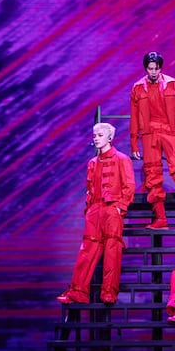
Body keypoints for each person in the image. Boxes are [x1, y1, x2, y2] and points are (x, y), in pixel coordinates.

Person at [57, 122, 135, 305]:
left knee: (112, 252)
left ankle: (109, 292)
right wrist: (89, 209)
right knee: (87, 251)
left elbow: (129, 185)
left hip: (112, 209)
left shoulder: (122, 159)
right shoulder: (92, 163)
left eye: (100, 135)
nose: (96, 138)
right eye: (94, 135)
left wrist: (120, 207)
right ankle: (78, 292)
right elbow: (90, 188)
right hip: (95, 210)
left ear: (110, 137)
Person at [129, 51, 175, 229]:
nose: (153, 72)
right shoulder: (138, 88)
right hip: (149, 134)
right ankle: (160, 218)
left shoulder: (172, 84)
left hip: (171, 132)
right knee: (152, 175)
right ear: (146, 68)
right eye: (150, 68)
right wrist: (134, 142)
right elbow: (134, 117)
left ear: (160, 68)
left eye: (156, 68)